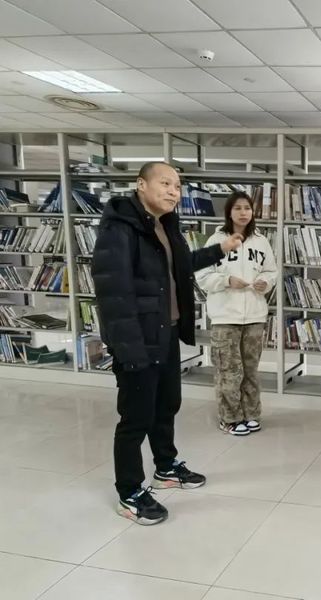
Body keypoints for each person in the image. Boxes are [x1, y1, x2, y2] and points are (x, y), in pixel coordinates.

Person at [92, 161, 243, 526]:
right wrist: (129, 350)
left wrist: (220, 248)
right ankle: (129, 492)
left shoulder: (164, 225)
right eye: (165, 183)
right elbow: (113, 293)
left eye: (177, 186)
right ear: (141, 185)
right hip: (137, 340)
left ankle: (165, 467)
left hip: (165, 333)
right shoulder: (119, 228)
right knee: (135, 418)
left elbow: (182, 265)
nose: (174, 191)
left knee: (166, 406)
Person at [197, 191, 277, 436]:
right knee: (229, 371)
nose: (243, 213)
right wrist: (226, 280)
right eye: (238, 208)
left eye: (247, 208)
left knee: (250, 370)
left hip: (254, 316)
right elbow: (203, 276)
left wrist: (266, 282)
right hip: (225, 317)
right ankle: (230, 418)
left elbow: (271, 271)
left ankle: (251, 414)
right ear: (229, 212)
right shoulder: (216, 240)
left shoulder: (261, 241)